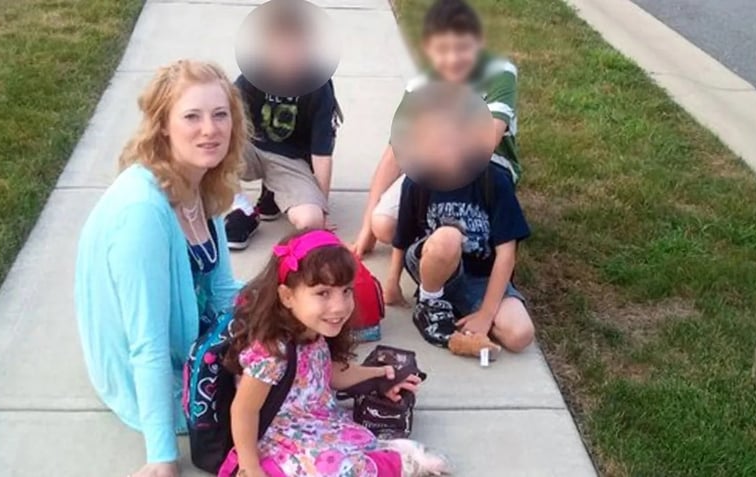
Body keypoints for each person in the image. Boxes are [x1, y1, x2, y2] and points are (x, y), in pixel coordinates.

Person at [74, 60, 247, 477]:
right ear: (164, 125)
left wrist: (279, 313)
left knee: (299, 334)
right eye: (192, 116)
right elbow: (146, 342)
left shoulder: (203, 181)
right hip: (154, 364)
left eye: (220, 114)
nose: (210, 129)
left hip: (193, 330)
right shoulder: (143, 212)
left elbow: (223, 288)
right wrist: (162, 456)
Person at [221, 229, 443, 477]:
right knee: (342, 468)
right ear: (287, 296)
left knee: (364, 447)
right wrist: (249, 466)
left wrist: (381, 374)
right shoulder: (272, 350)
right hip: (280, 438)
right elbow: (244, 410)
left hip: (318, 423)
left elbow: (329, 374)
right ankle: (395, 465)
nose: (339, 306)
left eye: (346, 290)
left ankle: (392, 462)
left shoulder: (312, 332)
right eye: (323, 293)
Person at [352, 0, 521, 257]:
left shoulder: (499, 73)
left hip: (488, 166)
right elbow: (394, 154)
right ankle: (440, 232)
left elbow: (489, 138)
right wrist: (366, 228)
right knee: (384, 226)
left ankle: (450, 235)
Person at [385, 155, 535, 352]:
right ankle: (430, 303)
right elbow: (402, 238)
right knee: (449, 237)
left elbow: (506, 254)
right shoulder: (418, 178)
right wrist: (392, 281)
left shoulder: (495, 179)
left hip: (482, 278)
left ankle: (460, 315)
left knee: (520, 335)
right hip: (434, 265)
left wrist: (486, 314)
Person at [224, 3, 342, 250]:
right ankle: (242, 209)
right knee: (213, 137)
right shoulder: (252, 77)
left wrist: (322, 207)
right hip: (250, 149)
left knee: (311, 221)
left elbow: (322, 154)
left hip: (289, 160)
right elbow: (226, 118)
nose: (288, 53)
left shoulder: (319, 87)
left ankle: (273, 194)